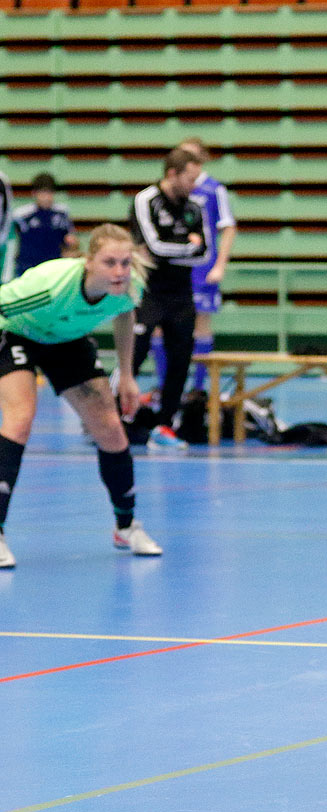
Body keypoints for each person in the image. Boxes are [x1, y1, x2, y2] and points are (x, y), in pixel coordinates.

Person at [0, 224, 164, 568]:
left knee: (111, 430)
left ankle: (126, 526)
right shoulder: (50, 286)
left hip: (66, 341)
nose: (119, 271)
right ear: (89, 262)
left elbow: (124, 315)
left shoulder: (128, 286)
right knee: (20, 420)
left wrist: (128, 376)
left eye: (125, 262)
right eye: (109, 262)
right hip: (15, 333)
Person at [128, 147, 209, 450]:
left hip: (180, 293)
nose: (194, 186)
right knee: (133, 353)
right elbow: (153, 246)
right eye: (190, 179)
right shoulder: (145, 200)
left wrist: (179, 249)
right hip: (147, 290)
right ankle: (114, 415)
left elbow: (205, 253)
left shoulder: (195, 207)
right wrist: (187, 246)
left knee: (180, 359)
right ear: (172, 174)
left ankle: (165, 424)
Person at [179, 138, 237, 394]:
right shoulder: (174, 189)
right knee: (162, 326)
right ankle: (167, 382)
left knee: (201, 324)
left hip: (203, 268)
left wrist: (220, 265)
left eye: (191, 157)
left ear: (202, 158)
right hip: (175, 267)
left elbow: (228, 227)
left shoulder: (213, 189)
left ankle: (198, 387)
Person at [8, 173, 77, 279]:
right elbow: (11, 240)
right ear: (34, 193)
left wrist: (71, 244)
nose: (46, 198)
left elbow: (70, 239)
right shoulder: (21, 215)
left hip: (53, 268)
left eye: (49, 193)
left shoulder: (62, 213)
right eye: (42, 193)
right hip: (27, 269)